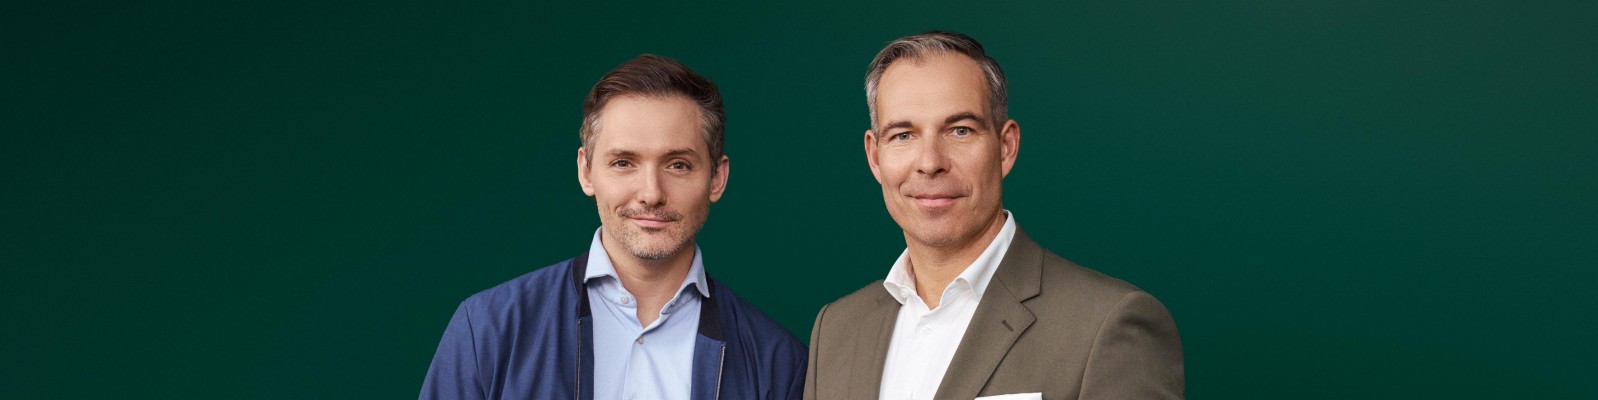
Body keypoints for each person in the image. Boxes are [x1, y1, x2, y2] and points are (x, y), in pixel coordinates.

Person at [803, 31, 1184, 400]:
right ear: (875, 157)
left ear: (1005, 147)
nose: (930, 163)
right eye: (903, 135)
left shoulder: (1107, 325)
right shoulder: (836, 331)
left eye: (960, 130)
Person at [421, 54, 806, 400]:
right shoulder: (488, 329)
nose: (651, 193)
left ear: (717, 178)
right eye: (624, 163)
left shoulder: (778, 363)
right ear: (586, 172)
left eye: (678, 165)